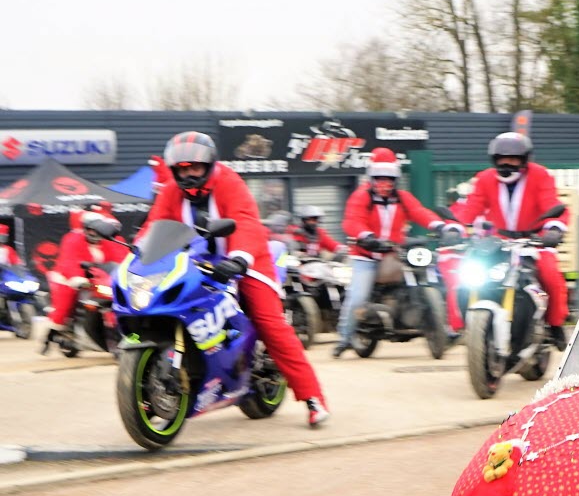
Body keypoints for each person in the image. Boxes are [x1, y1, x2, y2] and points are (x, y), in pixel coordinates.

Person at [141, 132, 330, 426]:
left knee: (270, 323)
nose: (188, 174)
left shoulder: (229, 182)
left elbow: (245, 221)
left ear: (209, 165)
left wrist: (239, 258)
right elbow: (154, 228)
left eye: (195, 167)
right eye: (182, 169)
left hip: (245, 259)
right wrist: (138, 254)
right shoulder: (170, 191)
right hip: (195, 262)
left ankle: (313, 398)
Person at [333, 148, 458, 356]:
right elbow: (352, 220)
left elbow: (419, 212)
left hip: (395, 253)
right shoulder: (361, 196)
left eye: (389, 179)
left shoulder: (403, 197)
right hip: (367, 255)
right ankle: (345, 337)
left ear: (395, 179)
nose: (384, 184)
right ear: (372, 178)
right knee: (358, 296)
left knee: (433, 278)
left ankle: (443, 329)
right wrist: (366, 237)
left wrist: (439, 226)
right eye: (379, 179)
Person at [450, 132, 570, 347]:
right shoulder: (485, 178)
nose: (507, 164)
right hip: (497, 241)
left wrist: (554, 229)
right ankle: (468, 325)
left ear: (524, 160)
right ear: (494, 160)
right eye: (501, 159)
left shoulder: (540, 175)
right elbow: (472, 207)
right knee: (465, 276)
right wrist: (454, 228)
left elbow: (550, 203)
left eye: (513, 159)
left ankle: (554, 325)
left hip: (533, 240)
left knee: (551, 276)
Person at [42, 208, 129, 351]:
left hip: (98, 279)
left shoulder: (108, 241)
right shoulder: (72, 239)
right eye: (91, 230)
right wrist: (77, 278)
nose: (94, 233)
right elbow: (69, 261)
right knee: (66, 302)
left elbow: (120, 259)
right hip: (69, 277)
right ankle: (53, 332)